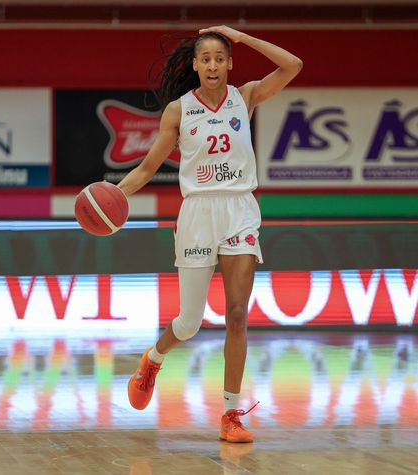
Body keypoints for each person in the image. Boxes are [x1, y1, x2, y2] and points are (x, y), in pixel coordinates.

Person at [120, 26, 302, 443]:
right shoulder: (178, 111)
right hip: (198, 213)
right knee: (189, 323)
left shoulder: (246, 96)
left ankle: (230, 414)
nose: (214, 65)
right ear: (196, 65)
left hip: (239, 209)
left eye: (220, 58)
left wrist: (242, 36)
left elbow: (293, 65)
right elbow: (147, 169)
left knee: (237, 314)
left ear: (230, 63)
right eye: (206, 59)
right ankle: (153, 358)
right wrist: (110, 194)